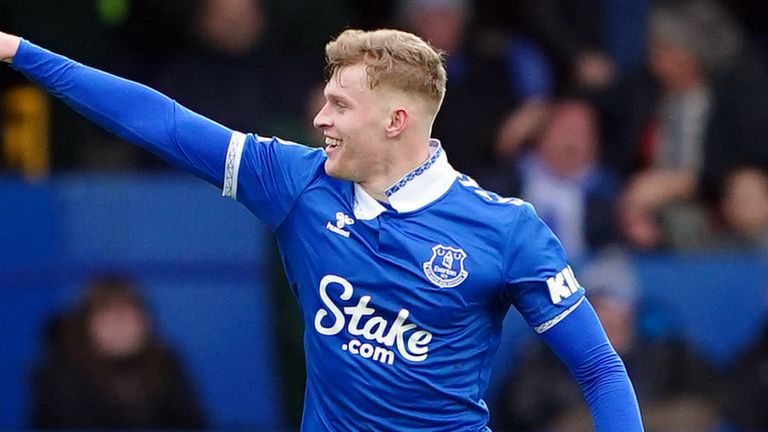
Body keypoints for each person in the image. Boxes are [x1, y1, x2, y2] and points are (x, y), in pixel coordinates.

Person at [0, 27, 643, 430]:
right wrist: (20, 52)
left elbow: (599, 371)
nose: (320, 118)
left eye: (339, 104)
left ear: (395, 120)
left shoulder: (508, 231)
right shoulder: (295, 181)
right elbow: (161, 122)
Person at [30, 274, 205, 429]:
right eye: (107, 313)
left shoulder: (165, 362)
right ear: (86, 323)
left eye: (128, 311)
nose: (119, 323)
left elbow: (193, 422)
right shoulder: (58, 374)